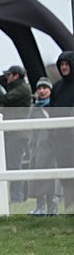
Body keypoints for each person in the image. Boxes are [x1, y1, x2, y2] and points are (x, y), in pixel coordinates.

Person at [0, 65, 31, 203]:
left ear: (16, 76)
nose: (6, 77)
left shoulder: (21, 90)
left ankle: (17, 197)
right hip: (12, 133)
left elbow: (4, 99)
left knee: (14, 166)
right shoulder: (18, 87)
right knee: (12, 165)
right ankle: (18, 196)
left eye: (9, 75)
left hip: (17, 134)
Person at [26, 77, 60, 216]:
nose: (42, 91)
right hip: (36, 147)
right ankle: (39, 207)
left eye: (45, 88)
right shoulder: (34, 108)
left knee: (51, 177)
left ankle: (52, 207)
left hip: (50, 147)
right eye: (39, 88)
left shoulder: (55, 106)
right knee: (37, 175)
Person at [49, 50, 74, 213]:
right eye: (61, 64)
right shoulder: (57, 87)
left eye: (67, 64)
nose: (64, 67)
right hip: (61, 138)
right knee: (65, 175)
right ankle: (69, 208)